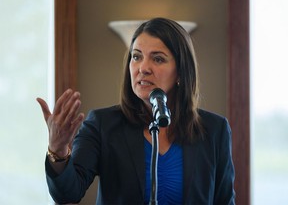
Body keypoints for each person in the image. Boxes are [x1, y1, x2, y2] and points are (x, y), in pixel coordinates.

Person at [37, 17, 235, 205]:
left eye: (158, 59)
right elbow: (67, 193)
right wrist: (58, 150)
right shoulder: (102, 124)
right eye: (137, 57)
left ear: (181, 72)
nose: (143, 68)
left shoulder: (215, 130)